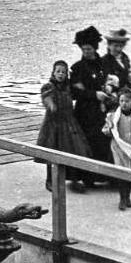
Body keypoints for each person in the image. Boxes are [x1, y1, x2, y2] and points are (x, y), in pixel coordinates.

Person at [36, 60, 92, 192]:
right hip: (53, 124)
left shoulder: (68, 87)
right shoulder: (49, 86)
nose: (60, 74)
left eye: (63, 72)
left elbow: (78, 91)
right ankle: (50, 180)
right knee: (51, 150)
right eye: (58, 71)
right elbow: (46, 97)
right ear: (53, 73)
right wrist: (51, 105)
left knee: (73, 149)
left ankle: (73, 180)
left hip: (68, 122)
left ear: (67, 74)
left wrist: (82, 86)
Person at [70, 25, 114, 179]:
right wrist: (95, 94)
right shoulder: (77, 68)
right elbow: (75, 92)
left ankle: (104, 176)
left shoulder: (104, 64)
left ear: (95, 48)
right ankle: (86, 177)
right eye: (84, 49)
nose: (86, 52)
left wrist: (109, 87)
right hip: (85, 112)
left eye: (89, 49)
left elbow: (110, 78)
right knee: (87, 143)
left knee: (103, 142)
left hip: (102, 111)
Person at [101, 29, 131, 108]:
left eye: (120, 46)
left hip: (128, 91)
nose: (118, 49)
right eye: (115, 46)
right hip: (115, 96)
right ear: (109, 45)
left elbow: (127, 73)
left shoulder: (124, 58)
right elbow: (105, 81)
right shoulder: (104, 61)